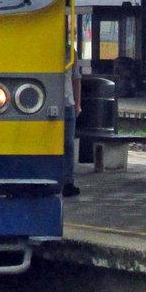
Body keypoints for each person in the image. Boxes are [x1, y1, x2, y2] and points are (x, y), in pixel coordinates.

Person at [63, 51, 82, 197]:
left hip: (67, 103)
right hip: (50, 102)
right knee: (67, 144)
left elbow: (76, 79)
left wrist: (77, 104)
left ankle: (68, 181)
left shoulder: (71, 53)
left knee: (68, 144)